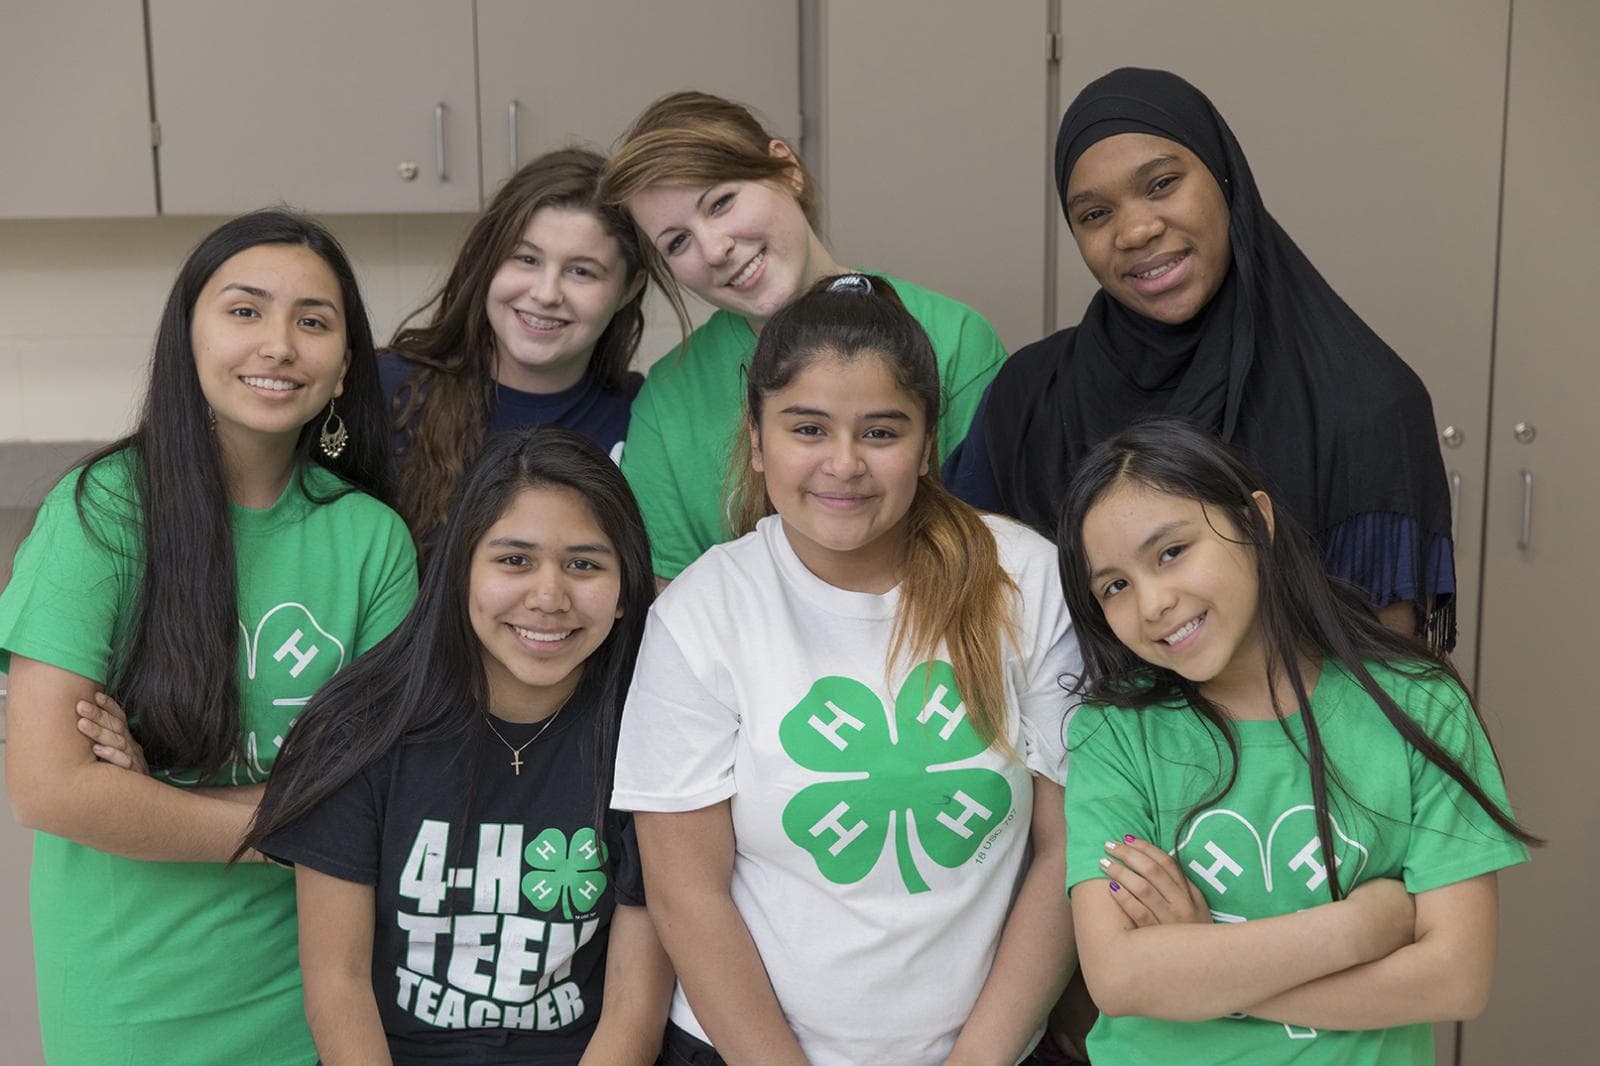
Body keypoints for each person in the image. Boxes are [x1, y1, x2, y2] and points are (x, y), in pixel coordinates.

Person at [611, 275, 1079, 1065]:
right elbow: (685, 895)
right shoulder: (701, 614)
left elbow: (1068, 850)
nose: (844, 464)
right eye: (807, 429)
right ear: (758, 441)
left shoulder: (1026, 579)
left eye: (882, 432)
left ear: (929, 443)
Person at [0, 211, 418, 1065]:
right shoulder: (102, 512)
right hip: (133, 1002)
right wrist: (299, 822)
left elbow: (386, 795)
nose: (278, 345)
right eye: (244, 311)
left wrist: (155, 795)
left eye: (313, 321)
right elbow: (48, 788)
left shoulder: (373, 539)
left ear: (344, 369)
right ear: (185, 339)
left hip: (319, 997)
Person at [1056, 417, 1537, 1065]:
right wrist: (1358, 929)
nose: (1151, 604)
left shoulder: (1417, 703)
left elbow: (1457, 980)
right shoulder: (1113, 732)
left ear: (1256, 522)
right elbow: (1122, 978)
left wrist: (1206, 967)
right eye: (1115, 585)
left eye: (1171, 552)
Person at [946, 67, 1455, 645]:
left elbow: (1389, 679)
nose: (1134, 230)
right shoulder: (1029, 396)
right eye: (1094, 214)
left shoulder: (1365, 403)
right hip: (1067, 730)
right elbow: (959, 593)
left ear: (1225, 179)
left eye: (1161, 184)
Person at [243, 425, 672, 1064]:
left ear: (624, 591)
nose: (549, 597)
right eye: (514, 560)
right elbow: (338, 985)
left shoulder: (653, 735)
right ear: (461, 571)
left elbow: (635, 1007)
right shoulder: (360, 727)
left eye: (584, 564)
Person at [600, 91, 1008, 582]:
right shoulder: (668, 403)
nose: (715, 249)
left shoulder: (956, 342)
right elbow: (673, 604)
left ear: (785, 167)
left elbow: (994, 565)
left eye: (722, 202)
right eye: (678, 242)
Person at [382, 147, 648, 549]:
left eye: (581, 271)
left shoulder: (644, 418)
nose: (545, 293)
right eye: (526, 259)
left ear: (630, 288)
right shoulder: (390, 391)